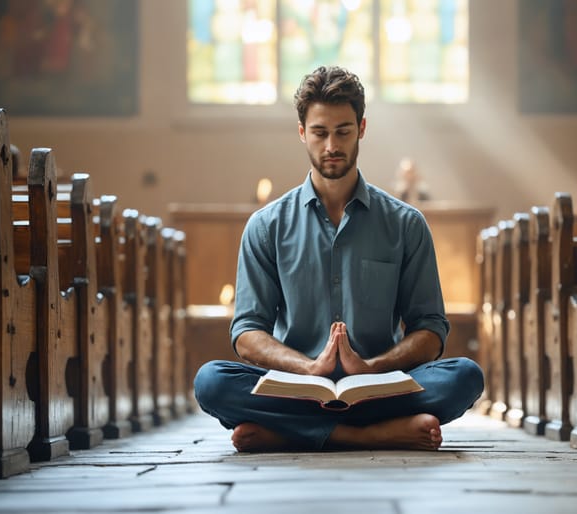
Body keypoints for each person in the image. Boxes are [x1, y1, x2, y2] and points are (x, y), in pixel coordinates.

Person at [194, 65, 484, 453]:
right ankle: (368, 434)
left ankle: (291, 433)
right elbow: (246, 333)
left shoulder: (405, 224)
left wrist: (371, 368)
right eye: (320, 132)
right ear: (302, 133)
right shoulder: (266, 226)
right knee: (211, 382)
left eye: (343, 131)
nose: (332, 145)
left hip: (379, 390)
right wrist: (308, 369)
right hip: (294, 391)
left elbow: (431, 331)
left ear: (362, 128)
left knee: (464, 377)